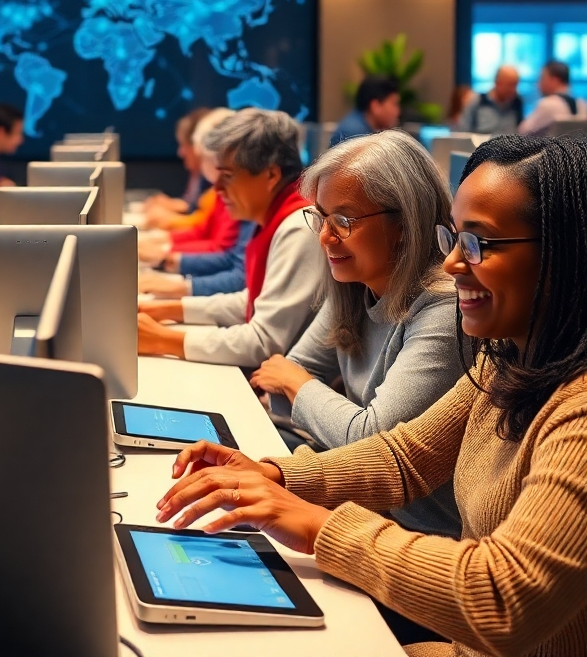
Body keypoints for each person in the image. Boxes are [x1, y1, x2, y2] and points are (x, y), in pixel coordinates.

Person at [156, 134, 587, 657]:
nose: (452, 264)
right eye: (453, 238)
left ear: (566, 255)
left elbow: (500, 600)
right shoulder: (508, 360)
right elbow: (405, 456)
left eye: (477, 243)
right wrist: (273, 475)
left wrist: (317, 524)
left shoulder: (577, 408)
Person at [249, 130, 464, 538]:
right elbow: (280, 379)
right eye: (321, 217)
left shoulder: (444, 309)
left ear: (404, 223)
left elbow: (373, 441)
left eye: (344, 221)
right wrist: (304, 390)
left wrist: (301, 387)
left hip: (412, 534)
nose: (326, 237)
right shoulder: (354, 283)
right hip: (359, 500)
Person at [137, 109, 322, 367]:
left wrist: (163, 339)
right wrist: (165, 309)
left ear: (271, 175)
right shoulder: (274, 213)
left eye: (228, 176)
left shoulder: (299, 229)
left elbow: (262, 341)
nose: (217, 189)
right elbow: (253, 301)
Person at [137, 109, 240, 266]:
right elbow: (204, 230)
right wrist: (165, 245)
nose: (217, 188)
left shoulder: (236, 192)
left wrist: (166, 255)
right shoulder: (225, 188)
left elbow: (223, 252)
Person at [142, 108, 211, 229]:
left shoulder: (212, 179)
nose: (180, 153)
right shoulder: (203, 175)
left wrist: (170, 222)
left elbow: (208, 228)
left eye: (184, 145)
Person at [329, 75, 401, 147]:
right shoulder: (354, 134)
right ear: (375, 106)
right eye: (394, 104)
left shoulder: (361, 127)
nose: (398, 112)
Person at [519, 59, 586, 135]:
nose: (538, 84)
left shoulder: (548, 104)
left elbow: (523, 132)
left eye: (542, 78)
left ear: (554, 80)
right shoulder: (582, 104)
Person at [457, 65, 523, 135]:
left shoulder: (517, 103)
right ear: (498, 83)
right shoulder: (478, 101)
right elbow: (463, 132)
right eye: (510, 85)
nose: (513, 90)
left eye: (515, 85)